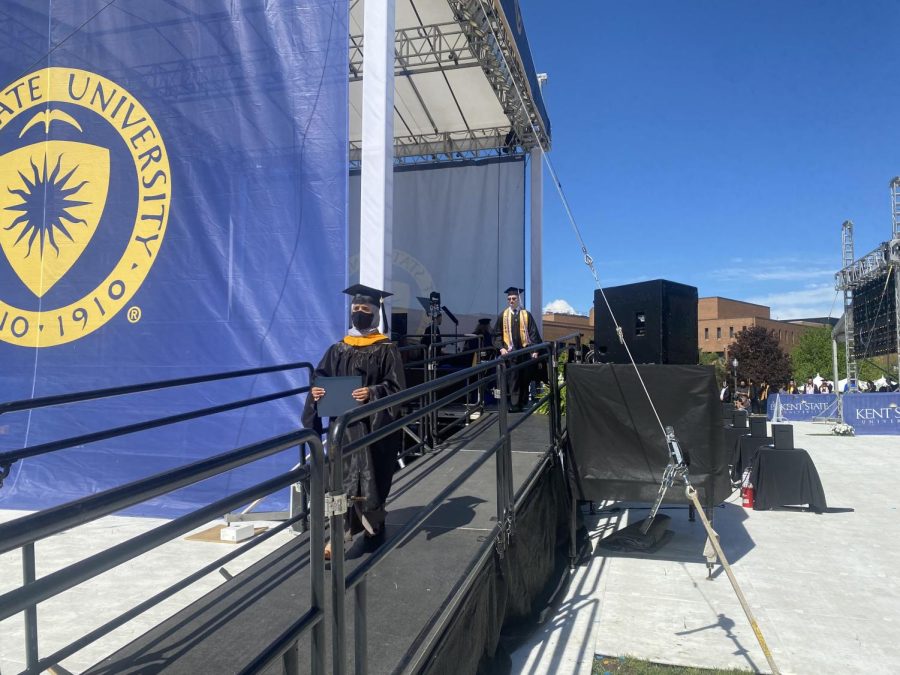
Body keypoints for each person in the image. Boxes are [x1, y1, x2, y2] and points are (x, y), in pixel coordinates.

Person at [302, 284, 406, 560]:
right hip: (344, 430)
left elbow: (396, 388)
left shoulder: (386, 349)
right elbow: (320, 379)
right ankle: (337, 534)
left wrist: (372, 393)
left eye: (365, 310)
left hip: (374, 429)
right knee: (339, 480)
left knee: (372, 481)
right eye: (355, 309)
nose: (359, 314)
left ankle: (374, 522)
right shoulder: (338, 348)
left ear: (375, 313)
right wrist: (316, 392)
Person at [493, 286, 542, 412]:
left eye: (513, 298)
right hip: (511, 353)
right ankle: (514, 405)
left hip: (525, 352)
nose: (511, 301)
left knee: (525, 378)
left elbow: (533, 333)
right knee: (513, 378)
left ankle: (523, 402)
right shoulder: (503, 315)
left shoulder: (526, 315)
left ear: (518, 299)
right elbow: (497, 334)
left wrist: (535, 350)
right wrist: (501, 348)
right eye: (509, 299)